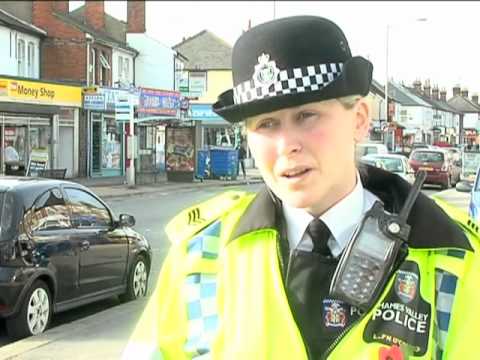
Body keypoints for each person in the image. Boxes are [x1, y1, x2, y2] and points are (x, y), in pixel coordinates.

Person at [123, 16, 480, 359]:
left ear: (359, 119)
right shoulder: (201, 254)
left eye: (306, 116)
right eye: (265, 124)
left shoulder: (452, 260)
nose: (285, 145)